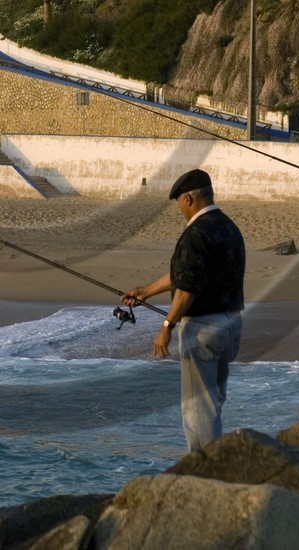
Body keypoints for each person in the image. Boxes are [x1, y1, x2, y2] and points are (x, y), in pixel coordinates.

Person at [121, 168, 246, 452]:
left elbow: (187, 288)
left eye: (178, 201)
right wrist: (144, 291)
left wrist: (166, 327)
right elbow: (185, 274)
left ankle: (205, 474)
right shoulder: (229, 227)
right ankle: (217, 463)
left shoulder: (195, 233)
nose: (179, 208)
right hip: (231, 327)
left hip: (202, 331)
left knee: (198, 412)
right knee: (213, 404)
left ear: (188, 198)